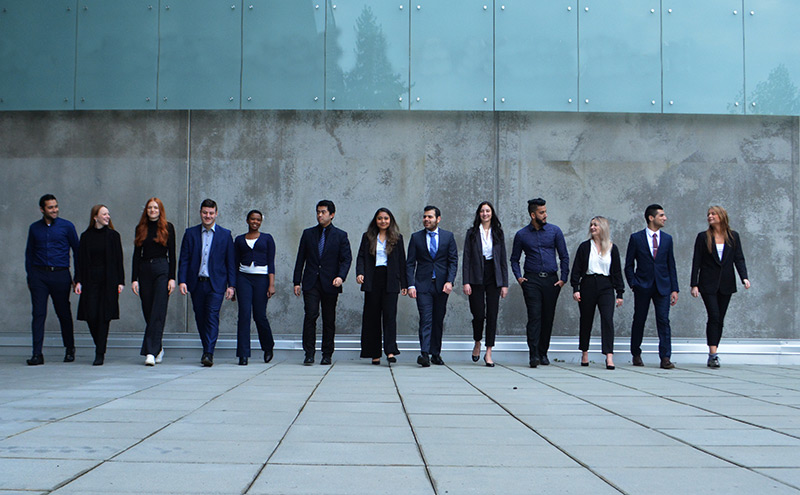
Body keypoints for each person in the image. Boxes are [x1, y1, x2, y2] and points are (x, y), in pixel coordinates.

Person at [510, 198, 569, 368]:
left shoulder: (555, 231)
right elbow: (514, 259)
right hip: (532, 280)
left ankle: (543, 352)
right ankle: (533, 354)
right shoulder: (522, 235)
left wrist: (563, 278)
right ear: (533, 214)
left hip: (552, 280)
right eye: (542, 212)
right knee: (534, 316)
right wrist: (519, 278)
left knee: (548, 317)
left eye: (545, 211)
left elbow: (564, 256)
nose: (545, 215)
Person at [178, 199, 236, 367]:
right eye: (205, 213)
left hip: (216, 284)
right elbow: (184, 259)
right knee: (200, 317)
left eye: (211, 213)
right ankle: (206, 348)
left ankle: (208, 352)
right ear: (200, 213)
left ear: (216, 214)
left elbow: (230, 262)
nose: (208, 216)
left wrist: (231, 285)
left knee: (211, 316)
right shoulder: (190, 233)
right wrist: (182, 280)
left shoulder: (225, 235)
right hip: (197, 283)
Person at [293, 200, 352, 365]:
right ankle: (309, 353)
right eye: (318, 212)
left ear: (332, 215)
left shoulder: (341, 235)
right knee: (310, 315)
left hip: (331, 282)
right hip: (311, 281)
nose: (320, 215)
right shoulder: (308, 234)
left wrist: (341, 277)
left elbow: (346, 259)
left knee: (328, 319)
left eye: (323, 212)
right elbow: (300, 259)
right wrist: (297, 281)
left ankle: (327, 354)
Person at [690, 206, 750, 368]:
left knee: (720, 319)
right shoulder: (703, 237)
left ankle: (715, 352)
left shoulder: (733, 236)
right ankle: (712, 354)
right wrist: (694, 284)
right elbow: (697, 261)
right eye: (708, 214)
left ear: (722, 216)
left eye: (713, 214)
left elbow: (739, 259)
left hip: (726, 283)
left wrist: (744, 277)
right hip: (707, 283)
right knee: (714, 316)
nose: (710, 216)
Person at [25, 194, 80, 365]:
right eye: (50, 207)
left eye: (56, 206)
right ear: (42, 209)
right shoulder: (34, 228)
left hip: (60, 274)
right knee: (38, 313)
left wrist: (77, 278)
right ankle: (37, 354)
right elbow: (29, 253)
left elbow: (78, 252)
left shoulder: (67, 226)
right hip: (39, 275)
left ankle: (70, 349)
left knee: (63, 313)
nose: (54, 210)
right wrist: (31, 276)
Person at [625, 204, 679, 369]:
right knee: (639, 319)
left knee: (663, 320)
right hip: (643, 285)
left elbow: (671, 264)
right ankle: (636, 353)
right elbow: (628, 264)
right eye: (661, 215)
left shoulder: (667, 239)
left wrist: (674, 288)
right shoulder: (636, 238)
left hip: (663, 286)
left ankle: (665, 357)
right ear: (651, 217)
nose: (665, 218)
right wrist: (633, 283)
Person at [406, 205, 459, 367]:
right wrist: (411, 285)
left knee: (438, 320)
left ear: (438, 219)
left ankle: (436, 353)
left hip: (442, 286)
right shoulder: (416, 238)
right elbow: (410, 264)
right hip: (423, 286)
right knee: (426, 319)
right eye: (424, 217)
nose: (426, 220)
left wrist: (450, 281)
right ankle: (424, 353)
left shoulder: (448, 237)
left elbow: (453, 261)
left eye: (430, 217)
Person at [570, 217, 624, 370]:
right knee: (586, 319)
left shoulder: (612, 248)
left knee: (607, 319)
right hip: (588, 284)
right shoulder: (585, 247)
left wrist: (620, 293)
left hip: (606, 286)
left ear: (603, 228)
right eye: (591, 225)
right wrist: (576, 288)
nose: (592, 227)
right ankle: (585, 353)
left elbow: (617, 272)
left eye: (596, 225)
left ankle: (609, 356)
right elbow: (576, 269)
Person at [356, 208, 408, 365]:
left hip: (391, 279)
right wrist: (360, 273)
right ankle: (374, 353)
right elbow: (361, 257)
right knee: (372, 317)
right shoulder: (368, 237)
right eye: (380, 218)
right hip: (373, 279)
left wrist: (404, 284)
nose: (383, 221)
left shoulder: (397, 238)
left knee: (390, 316)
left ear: (390, 220)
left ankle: (390, 351)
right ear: (375, 220)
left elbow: (402, 262)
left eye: (386, 218)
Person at [74, 205, 125, 366]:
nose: (107, 216)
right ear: (95, 217)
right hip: (90, 280)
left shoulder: (113, 236)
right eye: (104, 214)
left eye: (108, 214)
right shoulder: (86, 236)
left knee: (104, 316)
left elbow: (119, 260)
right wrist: (78, 281)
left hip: (108, 280)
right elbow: (80, 261)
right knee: (90, 315)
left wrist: (120, 281)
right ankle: (99, 344)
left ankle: (99, 353)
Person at [462, 201, 509, 367]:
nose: (485, 214)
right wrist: (466, 281)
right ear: (478, 214)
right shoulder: (472, 233)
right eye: (482, 211)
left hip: (494, 274)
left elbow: (503, 258)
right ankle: (477, 341)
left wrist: (504, 283)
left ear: (492, 213)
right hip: (476, 274)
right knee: (479, 313)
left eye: (487, 211)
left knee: (492, 314)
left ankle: (489, 351)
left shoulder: (498, 233)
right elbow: (466, 258)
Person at [131, 198, 176, 366]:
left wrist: (172, 278)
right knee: (148, 311)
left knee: (158, 309)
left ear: (160, 210)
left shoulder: (168, 227)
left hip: (161, 269)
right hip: (144, 270)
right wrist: (133, 279)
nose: (152, 210)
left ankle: (149, 352)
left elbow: (172, 254)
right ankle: (158, 347)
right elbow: (136, 254)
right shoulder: (140, 228)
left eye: (155, 207)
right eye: (150, 207)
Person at [234, 210, 276, 366]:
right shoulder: (239, 240)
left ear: (261, 222)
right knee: (244, 315)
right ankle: (243, 354)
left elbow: (271, 263)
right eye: (252, 219)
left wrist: (271, 284)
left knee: (259, 315)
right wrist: (231, 286)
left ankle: (268, 346)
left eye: (258, 220)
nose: (255, 222)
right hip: (243, 278)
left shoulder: (267, 239)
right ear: (247, 220)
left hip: (262, 279)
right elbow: (234, 263)